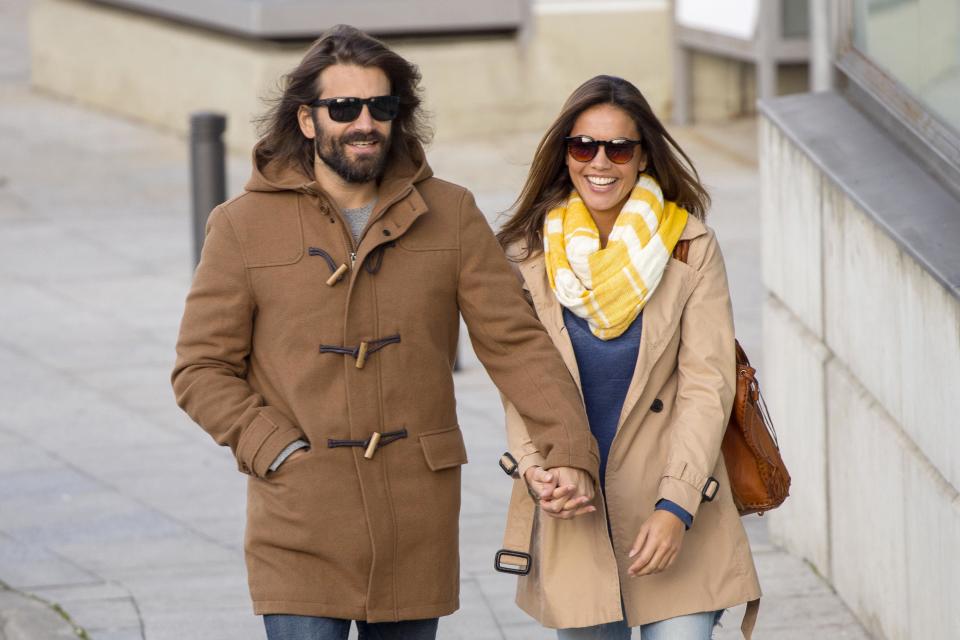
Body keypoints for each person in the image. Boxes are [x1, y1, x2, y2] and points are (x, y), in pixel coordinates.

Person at [171, 25, 599, 640]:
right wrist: (273, 448)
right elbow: (200, 369)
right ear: (308, 119)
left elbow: (517, 344)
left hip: (414, 517)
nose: (364, 122)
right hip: (299, 520)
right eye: (344, 108)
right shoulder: (241, 226)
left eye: (381, 106)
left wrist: (570, 451)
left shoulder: (450, 212)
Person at [495, 75, 762, 639]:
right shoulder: (528, 254)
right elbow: (518, 376)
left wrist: (676, 507)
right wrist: (535, 465)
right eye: (582, 145)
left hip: (671, 504)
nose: (600, 161)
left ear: (643, 157)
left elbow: (705, 385)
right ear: (564, 153)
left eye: (618, 147)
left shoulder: (689, 247)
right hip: (575, 505)